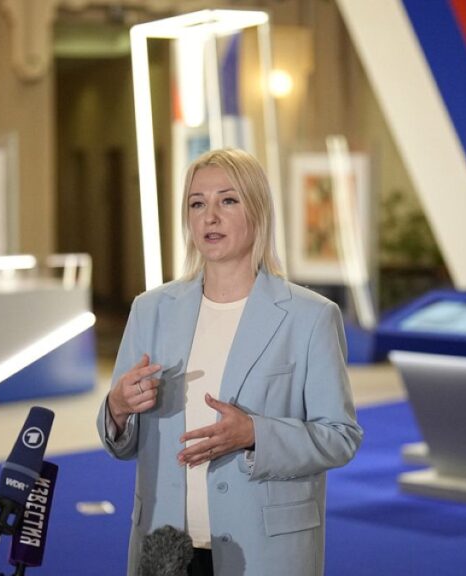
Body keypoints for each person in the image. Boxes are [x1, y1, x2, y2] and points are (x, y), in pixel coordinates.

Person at [97, 148, 363, 576]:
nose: (210, 217)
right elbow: (120, 441)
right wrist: (117, 407)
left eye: (228, 200)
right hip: (165, 546)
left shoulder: (310, 317)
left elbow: (340, 437)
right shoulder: (151, 310)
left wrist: (255, 433)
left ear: (257, 210)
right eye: (197, 204)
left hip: (264, 549)